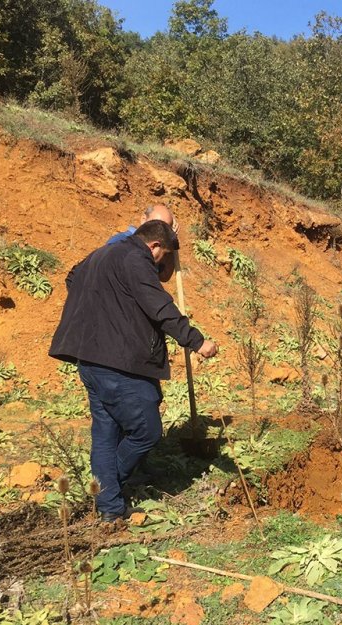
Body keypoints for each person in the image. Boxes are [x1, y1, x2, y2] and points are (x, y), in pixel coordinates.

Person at [49, 220, 218, 522]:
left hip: (91, 358)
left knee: (106, 433)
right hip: (119, 364)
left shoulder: (102, 254)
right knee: (147, 431)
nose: (162, 266)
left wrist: (107, 308)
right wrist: (196, 341)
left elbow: (73, 277)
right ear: (154, 246)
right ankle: (107, 489)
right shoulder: (136, 259)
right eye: (163, 257)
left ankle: (110, 509)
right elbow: (160, 307)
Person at [108, 204, 177, 281]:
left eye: (166, 228)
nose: (162, 231)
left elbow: (164, 276)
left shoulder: (157, 250)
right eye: (156, 224)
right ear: (143, 219)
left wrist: (171, 240)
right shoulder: (121, 240)